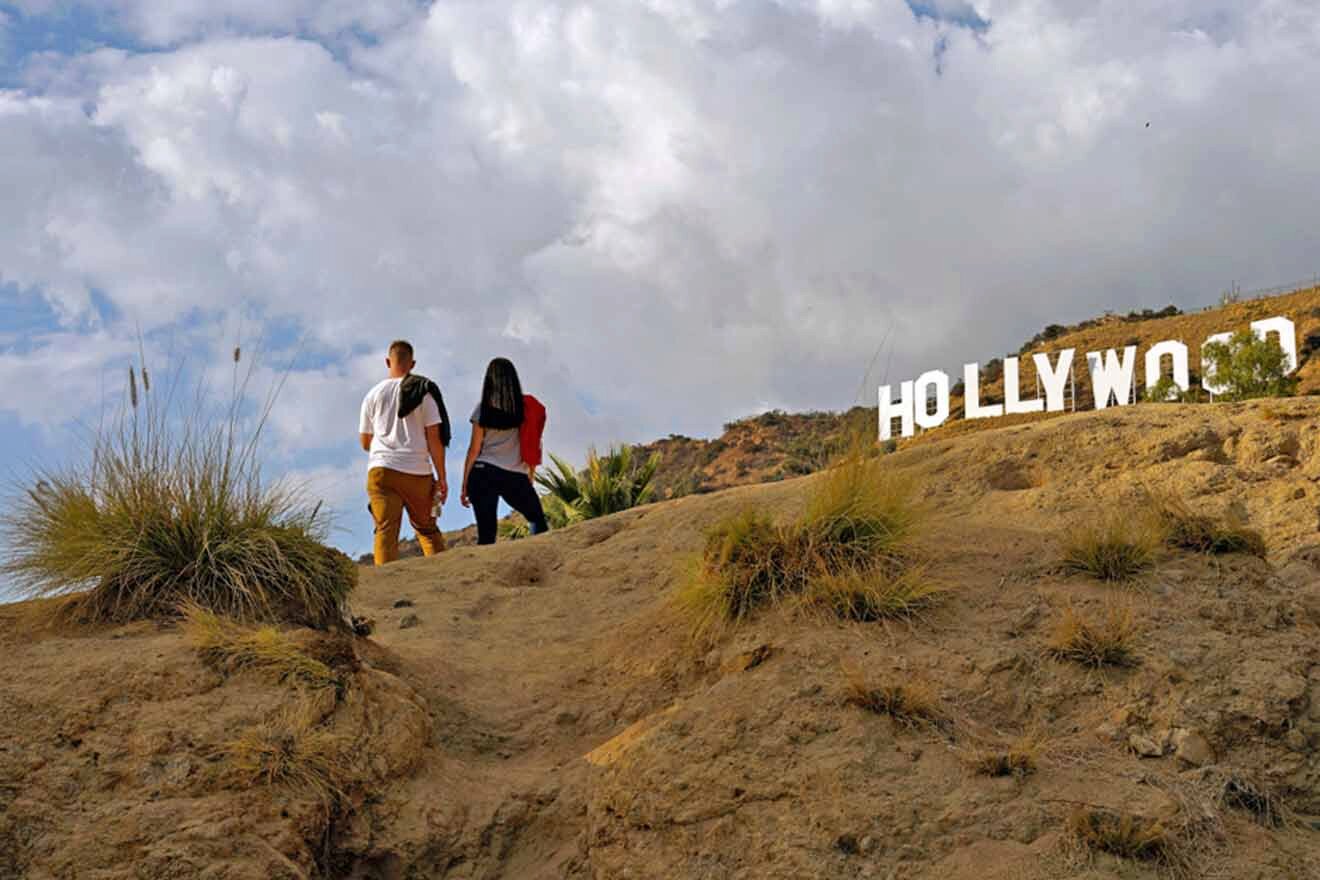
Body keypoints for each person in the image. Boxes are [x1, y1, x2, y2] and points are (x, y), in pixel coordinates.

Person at [359, 340, 451, 565]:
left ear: (387, 361)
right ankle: (443, 577)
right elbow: (434, 439)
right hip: (416, 472)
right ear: (413, 364)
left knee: (385, 531)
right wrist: (442, 477)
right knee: (427, 529)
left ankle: (385, 589)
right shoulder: (424, 393)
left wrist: (386, 448)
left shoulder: (372, 395)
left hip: (381, 470)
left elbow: (364, 442)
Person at [461, 357, 549, 544]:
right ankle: (539, 557)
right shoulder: (525, 408)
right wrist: (530, 473)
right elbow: (533, 440)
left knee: (486, 536)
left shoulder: (483, 408)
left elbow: (474, 449)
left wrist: (465, 483)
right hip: (514, 475)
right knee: (537, 520)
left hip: (482, 471)